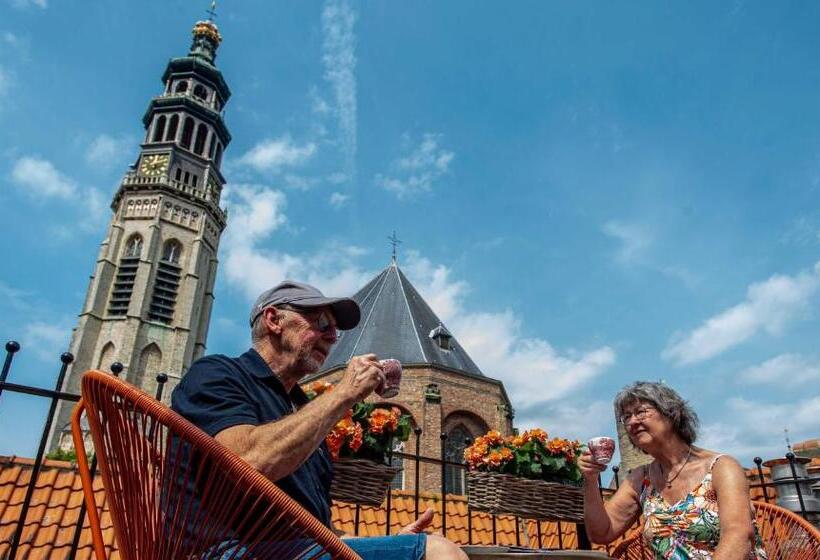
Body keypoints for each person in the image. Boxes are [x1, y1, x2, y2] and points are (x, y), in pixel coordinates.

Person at [171, 280, 467, 560]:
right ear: (274, 320)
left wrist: (393, 542)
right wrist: (344, 394)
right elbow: (247, 462)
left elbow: (322, 533)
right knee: (440, 552)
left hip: (294, 551)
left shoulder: (303, 412)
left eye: (335, 330)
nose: (333, 337)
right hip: (223, 551)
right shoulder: (217, 375)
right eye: (322, 324)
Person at [579, 381, 767, 559]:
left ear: (671, 414)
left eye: (641, 412)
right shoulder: (642, 479)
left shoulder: (721, 467)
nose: (632, 422)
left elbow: (738, 536)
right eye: (626, 417)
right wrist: (589, 478)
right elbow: (601, 532)